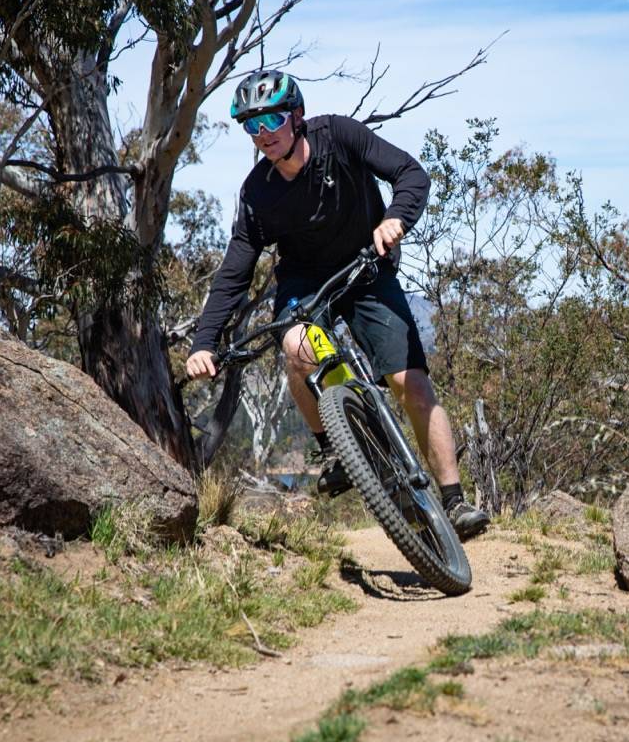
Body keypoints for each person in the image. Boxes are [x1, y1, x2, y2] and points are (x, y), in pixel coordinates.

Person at [185, 69, 489, 541]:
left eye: (271, 121)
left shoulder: (339, 136)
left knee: (409, 380)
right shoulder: (258, 193)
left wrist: (394, 219)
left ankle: (455, 500)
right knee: (298, 348)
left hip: (366, 268)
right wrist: (204, 342)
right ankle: (336, 447)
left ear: (297, 117)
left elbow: (411, 174)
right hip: (304, 282)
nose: (262, 134)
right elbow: (234, 271)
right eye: (251, 126)